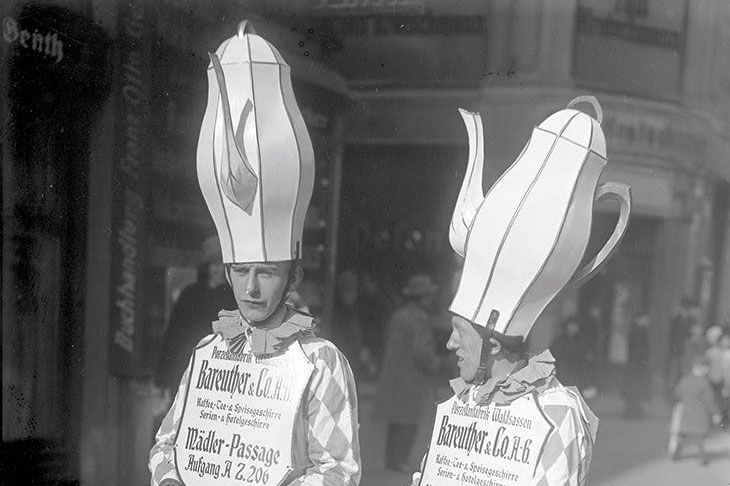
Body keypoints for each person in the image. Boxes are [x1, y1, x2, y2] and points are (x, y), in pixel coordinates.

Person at [149, 23, 360, 486]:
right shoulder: (208, 352)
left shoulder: (319, 362)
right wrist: (170, 479)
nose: (251, 288)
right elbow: (167, 444)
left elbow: (338, 471)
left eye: (266, 272)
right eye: (241, 270)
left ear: (294, 275)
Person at [373, 274, 441, 473]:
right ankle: (400, 460)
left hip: (394, 373)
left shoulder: (399, 315)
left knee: (396, 420)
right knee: (410, 420)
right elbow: (422, 352)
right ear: (423, 298)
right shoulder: (420, 319)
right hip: (412, 376)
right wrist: (435, 363)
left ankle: (391, 459)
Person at [154, 235, 236, 399]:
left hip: (218, 374)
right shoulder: (190, 294)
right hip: (185, 368)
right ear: (206, 266)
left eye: (223, 265)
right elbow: (173, 335)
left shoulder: (233, 298)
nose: (219, 270)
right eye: (215, 264)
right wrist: (163, 376)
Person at [669, 357, 721, 465]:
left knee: (682, 435)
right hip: (700, 414)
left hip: (686, 413)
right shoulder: (705, 383)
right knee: (700, 437)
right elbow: (709, 401)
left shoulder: (685, 379)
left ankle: (676, 454)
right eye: (706, 369)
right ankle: (702, 458)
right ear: (702, 369)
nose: (707, 371)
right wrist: (716, 413)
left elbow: (677, 393)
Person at [667, 296, 700, 390]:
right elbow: (674, 337)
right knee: (674, 374)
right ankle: (671, 396)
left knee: (682, 374)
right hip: (677, 351)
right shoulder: (676, 319)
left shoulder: (692, 321)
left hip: (686, 352)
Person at [622, 312, 651, 419]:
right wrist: (643, 363)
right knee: (635, 390)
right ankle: (633, 413)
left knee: (633, 390)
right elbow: (639, 350)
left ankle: (632, 412)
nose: (648, 321)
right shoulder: (638, 331)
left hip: (634, 365)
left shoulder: (636, 330)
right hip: (637, 365)